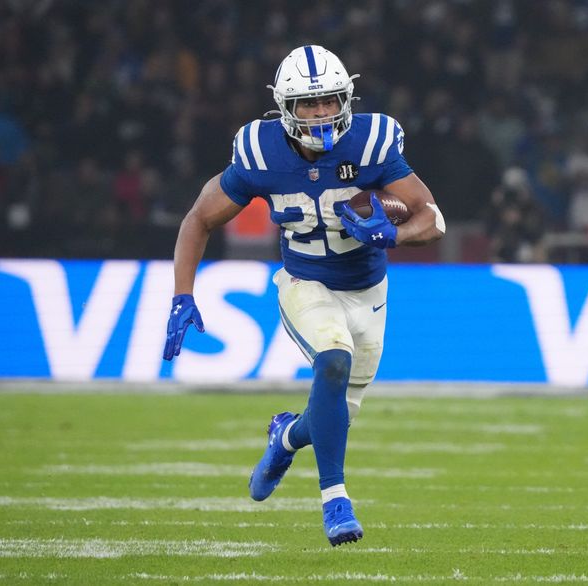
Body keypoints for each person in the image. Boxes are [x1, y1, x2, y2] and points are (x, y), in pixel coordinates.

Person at [162, 45, 445, 546]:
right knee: (332, 361)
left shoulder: (372, 142)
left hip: (369, 292)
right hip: (304, 283)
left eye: (330, 101)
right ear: (284, 108)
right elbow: (199, 218)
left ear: (347, 99)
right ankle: (335, 499)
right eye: (309, 105)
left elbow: (432, 218)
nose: (320, 114)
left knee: (333, 414)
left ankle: (285, 437)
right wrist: (182, 294)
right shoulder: (259, 150)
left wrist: (392, 236)